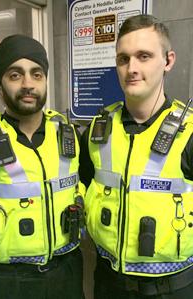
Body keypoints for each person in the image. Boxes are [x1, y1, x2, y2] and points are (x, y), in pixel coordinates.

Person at [79, 14, 193, 299]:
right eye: (123, 59)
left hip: (173, 288)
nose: (132, 68)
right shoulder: (97, 130)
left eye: (144, 56)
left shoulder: (190, 133)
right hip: (108, 282)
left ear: (168, 61)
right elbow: (83, 186)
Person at [0, 34, 85, 299]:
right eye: (15, 75)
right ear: (0, 85)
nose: (27, 84)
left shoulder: (71, 136)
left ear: (45, 81)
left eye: (36, 74)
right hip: (8, 280)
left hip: (66, 272)